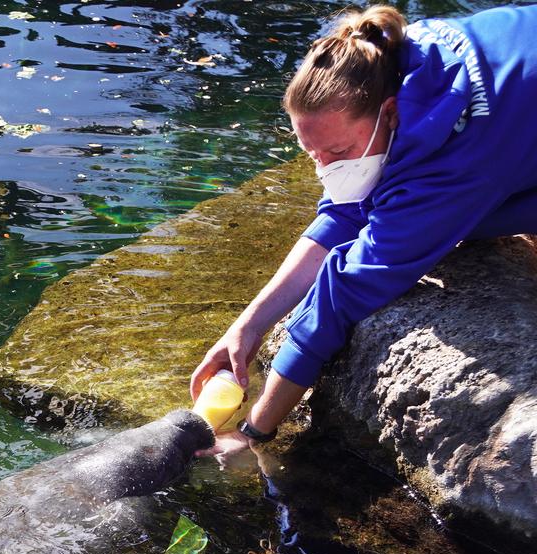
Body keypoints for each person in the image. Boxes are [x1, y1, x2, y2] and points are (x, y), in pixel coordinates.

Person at [191, 4, 537, 461]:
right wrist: (247, 327)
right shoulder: (390, 60)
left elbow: (346, 289)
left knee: (458, 215)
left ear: (390, 113)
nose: (327, 167)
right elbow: (344, 211)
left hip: (501, 127)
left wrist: (256, 431)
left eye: (337, 150)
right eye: (311, 152)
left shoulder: (455, 162)